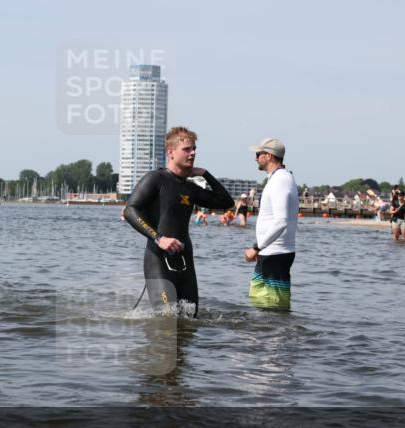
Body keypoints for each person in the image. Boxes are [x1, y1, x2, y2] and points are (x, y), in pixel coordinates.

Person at [124, 126, 233, 317]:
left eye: (194, 149)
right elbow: (129, 210)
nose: (192, 153)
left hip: (185, 261)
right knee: (167, 319)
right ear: (171, 152)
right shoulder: (156, 179)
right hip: (158, 259)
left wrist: (205, 174)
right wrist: (159, 238)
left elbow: (226, 202)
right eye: (187, 149)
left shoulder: (190, 188)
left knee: (190, 319)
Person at [243, 138, 298, 311]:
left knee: (272, 307)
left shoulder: (280, 180)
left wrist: (256, 248)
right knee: (261, 302)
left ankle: (276, 338)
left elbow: (280, 221)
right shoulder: (281, 178)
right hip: (272, 252)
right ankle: (268, 337)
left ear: (268, 156)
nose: (255, 158)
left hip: (275, 253)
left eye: (258, 154)